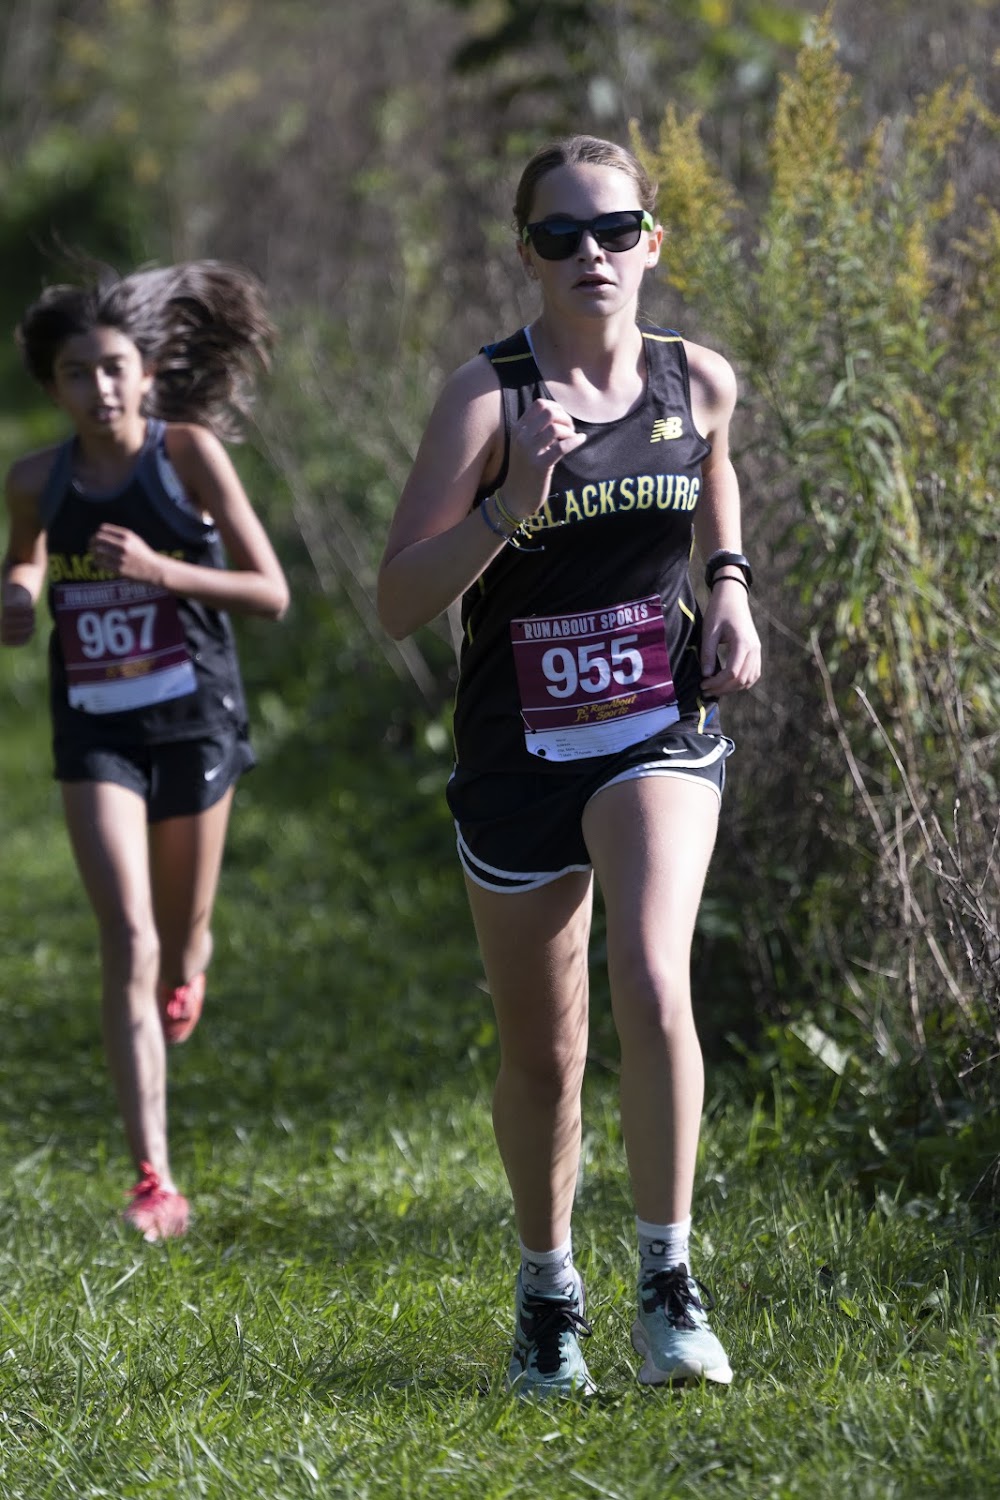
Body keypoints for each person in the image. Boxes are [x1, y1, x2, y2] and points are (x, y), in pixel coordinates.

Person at [377, 135, 761, 1397]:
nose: (590, 253)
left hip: (656, 726)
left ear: (652, 242)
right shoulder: (485, 399)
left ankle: (668, 1286)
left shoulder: (696, 378)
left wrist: (728, 584)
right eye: (560, 235)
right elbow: (397, 601)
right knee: (544, 1058)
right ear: (527, 253)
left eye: (614, 230)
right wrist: (510, 503)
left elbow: (711, 470)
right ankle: (549, 1295)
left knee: (650, 976)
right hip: (518, 751)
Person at [1, 260, 289, 1242]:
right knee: (126, 936)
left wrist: (164, 570)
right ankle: (153, 1179)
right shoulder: (35, 481)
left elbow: (270, 591)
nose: (100, 388)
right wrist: (19, 594)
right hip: (96, 725)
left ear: (148, 372)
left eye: (115, 367)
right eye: (77, 373)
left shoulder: (188, 456)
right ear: (54, 388)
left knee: (174, 935)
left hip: (195, 718)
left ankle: (191, 959)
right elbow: (26, 557)